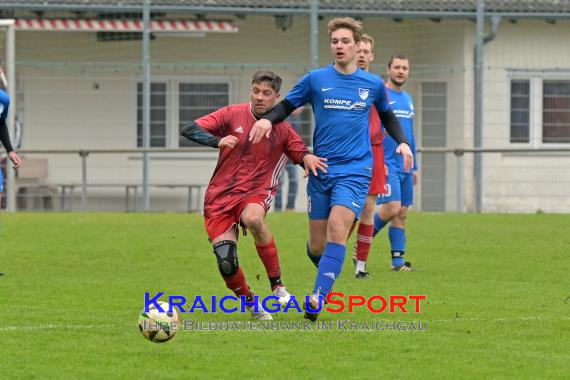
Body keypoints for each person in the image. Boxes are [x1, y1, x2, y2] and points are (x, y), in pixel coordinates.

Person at [249, 18, 414, 321]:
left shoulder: (373, 84)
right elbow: (286, 106)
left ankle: (317, 297)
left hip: (356, 169)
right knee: (318, 245)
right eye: (335, 41)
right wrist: (266, 119)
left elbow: (389, 117)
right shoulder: (316, 79)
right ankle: (327, 269)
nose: (339, 46)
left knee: (339, 228)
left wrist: (402, 143)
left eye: (345, 41)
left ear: (357, 46)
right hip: (322, 169)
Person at [180, 70, 327, 321]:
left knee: (254, 219)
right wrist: (216, 141)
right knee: (227, 263)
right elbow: (188, 128)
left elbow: (301, 153)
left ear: (277, 97)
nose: (260, 97)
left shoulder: (282, 129)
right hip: (219, 197)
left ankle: (277, 285)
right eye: (256, 91)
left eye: (267, 93)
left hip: (256, 192)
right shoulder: (231, 114)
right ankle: (252, 304)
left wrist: (309, 159)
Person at [372, 55, 417, 272]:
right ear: (388, 69)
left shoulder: (408, 99)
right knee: (391, 208)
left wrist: (414, 166)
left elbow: (410, 135)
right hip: (387, 162)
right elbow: (372, 129)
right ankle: (362, 242)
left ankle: (398, 262)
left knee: (402, 213)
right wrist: (378, 160)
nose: (401, 71)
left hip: (405, 165)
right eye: (397, 67)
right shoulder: (381, 96)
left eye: (405, 68)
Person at [349, 33, 387, 279]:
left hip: (375, 152)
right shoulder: (345, 82)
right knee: (346, 208)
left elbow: (388, 122)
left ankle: (360, 265)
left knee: (368, 207)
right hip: (349, 152)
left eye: (366, 52)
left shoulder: (377, 85)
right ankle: (332, 253)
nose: (362, 55)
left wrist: (387, 162)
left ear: (371, 56)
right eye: (359, 50)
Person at [274, 108, 303, 211]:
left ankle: (290, 208)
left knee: (294, 181)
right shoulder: (282, 115)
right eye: (299, 106)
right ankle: (278, 208)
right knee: (279, 182)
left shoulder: (297, 119)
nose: (301, 109)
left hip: (292, 155)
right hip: (280, 154)